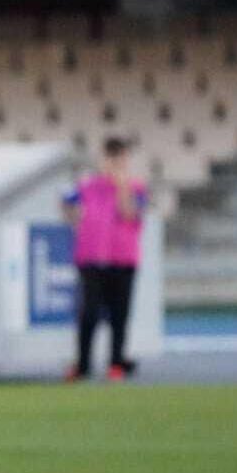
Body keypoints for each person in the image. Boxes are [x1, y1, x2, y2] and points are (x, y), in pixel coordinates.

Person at [62, 136, 148, 382]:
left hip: (122, 258)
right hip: (91, 258)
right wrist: (75, 219)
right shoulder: (86, 185)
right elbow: (67, 204)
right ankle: (83, 364)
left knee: (119, 314)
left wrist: (121, 185)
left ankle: (116, 362)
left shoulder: (136, 187)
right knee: (88, 314)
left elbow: (129, 213)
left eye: (119, 158)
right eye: (110, 158)